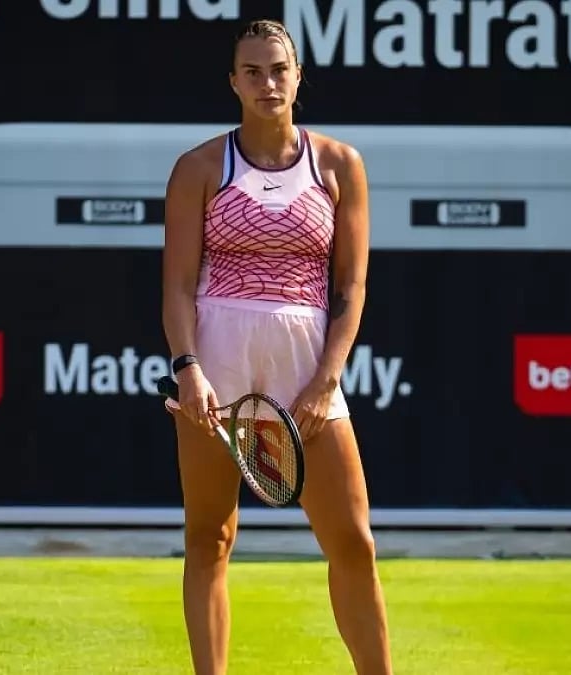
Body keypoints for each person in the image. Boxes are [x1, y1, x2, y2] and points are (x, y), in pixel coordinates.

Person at [160, 17, 394, 675]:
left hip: (306, 366)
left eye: (279, 69)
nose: (268, 82)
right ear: (233, 82)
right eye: (254, 71)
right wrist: (189, 371)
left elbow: (350, 287)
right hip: (218, 360)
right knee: (209, 538)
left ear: (298, 78)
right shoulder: (199, 167)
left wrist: (325, 381)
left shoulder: (340, 164)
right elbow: (177, 286)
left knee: (353, 543)